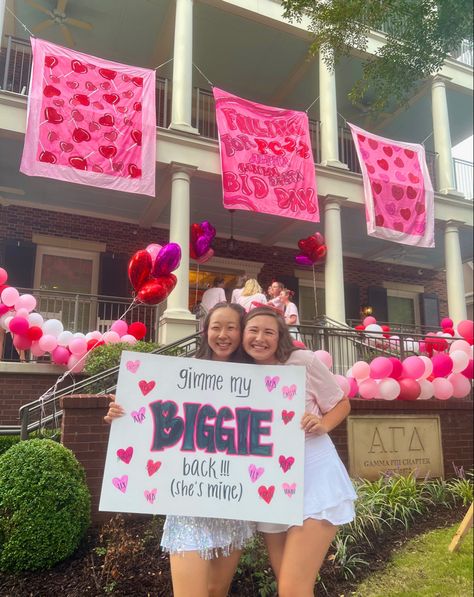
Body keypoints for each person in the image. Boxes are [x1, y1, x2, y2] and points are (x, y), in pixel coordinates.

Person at [105, 303, 255, 597]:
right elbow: (153, 418)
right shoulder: (180, 375)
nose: (222, 334)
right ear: (205, 331)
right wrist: (121, 416)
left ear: (241, 332)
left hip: (233, 505)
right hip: (188, 505)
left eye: (231, 327)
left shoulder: (257, 379)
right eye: (216, 327)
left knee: (216, 590)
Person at [242, 306, 356, 597]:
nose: (260, 338)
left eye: (269, 332)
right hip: (270, 485)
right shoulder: (237, 374)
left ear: (280, 336)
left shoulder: (302, 361)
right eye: (253, 330)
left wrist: (323, 423)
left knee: (293, 588)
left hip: (315, 476)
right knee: (289, 585)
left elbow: (341, 402)